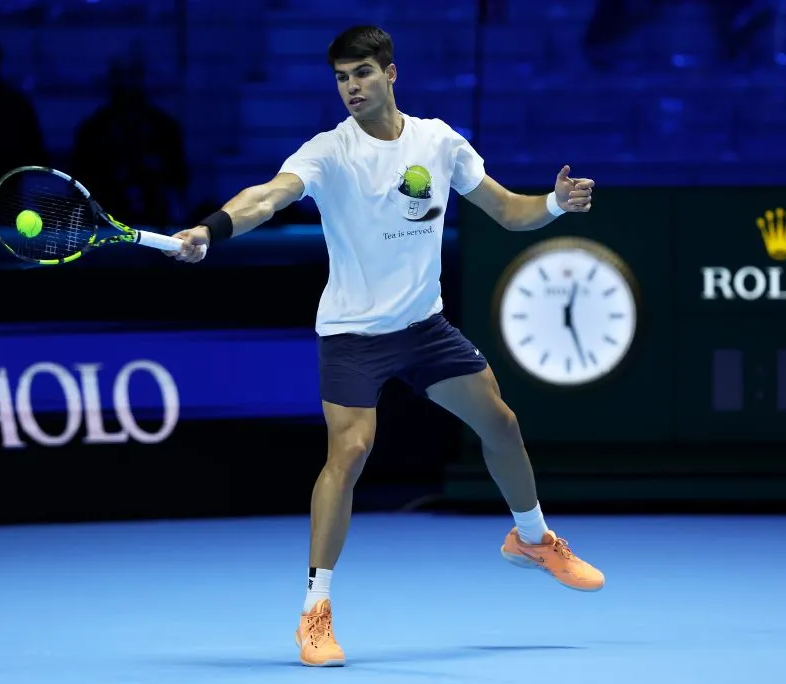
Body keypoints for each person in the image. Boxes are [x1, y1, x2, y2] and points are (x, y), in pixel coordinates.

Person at [166, 25, 603, 668]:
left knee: (501, 422)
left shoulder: (438, 141)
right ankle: (315, 612)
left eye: (362, 74)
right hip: (352, 334)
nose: (352, 88)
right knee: (351, 451)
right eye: (342, 77)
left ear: (391, 74)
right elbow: (268, 196)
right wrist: (212, 228)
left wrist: (556, 204)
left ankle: (532, 538)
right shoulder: (326, 152)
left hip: (424, 328)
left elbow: (510, 211)